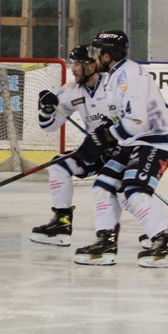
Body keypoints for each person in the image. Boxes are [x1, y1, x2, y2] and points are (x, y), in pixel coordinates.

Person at [72, 30, 168, 268]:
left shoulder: (128, 76)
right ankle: (105, 242)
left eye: (97, 52)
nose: (93, 57)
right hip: (137, 140)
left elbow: (136, 123)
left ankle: (164, 243)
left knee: (134, 190)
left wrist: (104, 138)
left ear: (107, 55)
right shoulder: (115, 75)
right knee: (104, 185)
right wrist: (97, 138)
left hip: (157, 139)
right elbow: (119, 118)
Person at [30, 45, 114, 246]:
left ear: (92, 66)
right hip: (95, 151)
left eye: (77, 64)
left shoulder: (113, 85)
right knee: (59, 165)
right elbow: (49, 126)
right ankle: (62, 222)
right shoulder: (71, 91)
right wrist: (46, 109)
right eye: (72, 63)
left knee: (128, 191)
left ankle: (157, 234)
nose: (73, 69)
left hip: (125, 151)